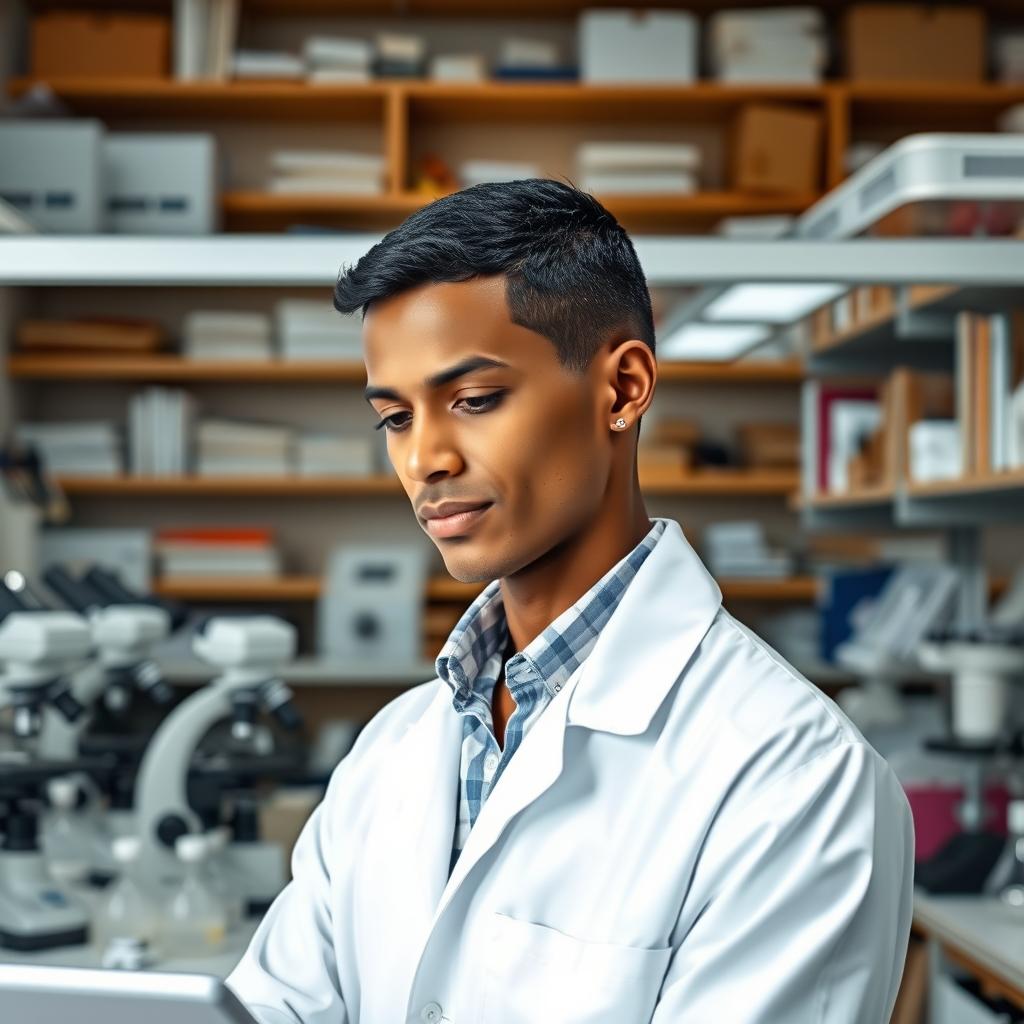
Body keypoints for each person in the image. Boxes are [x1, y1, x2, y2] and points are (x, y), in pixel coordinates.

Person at [226, 179, 914, 1023]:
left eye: (474, 401)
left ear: (622, 389)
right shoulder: (392, 753)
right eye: (395, 419)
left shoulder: (794, 782)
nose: (425, 461)